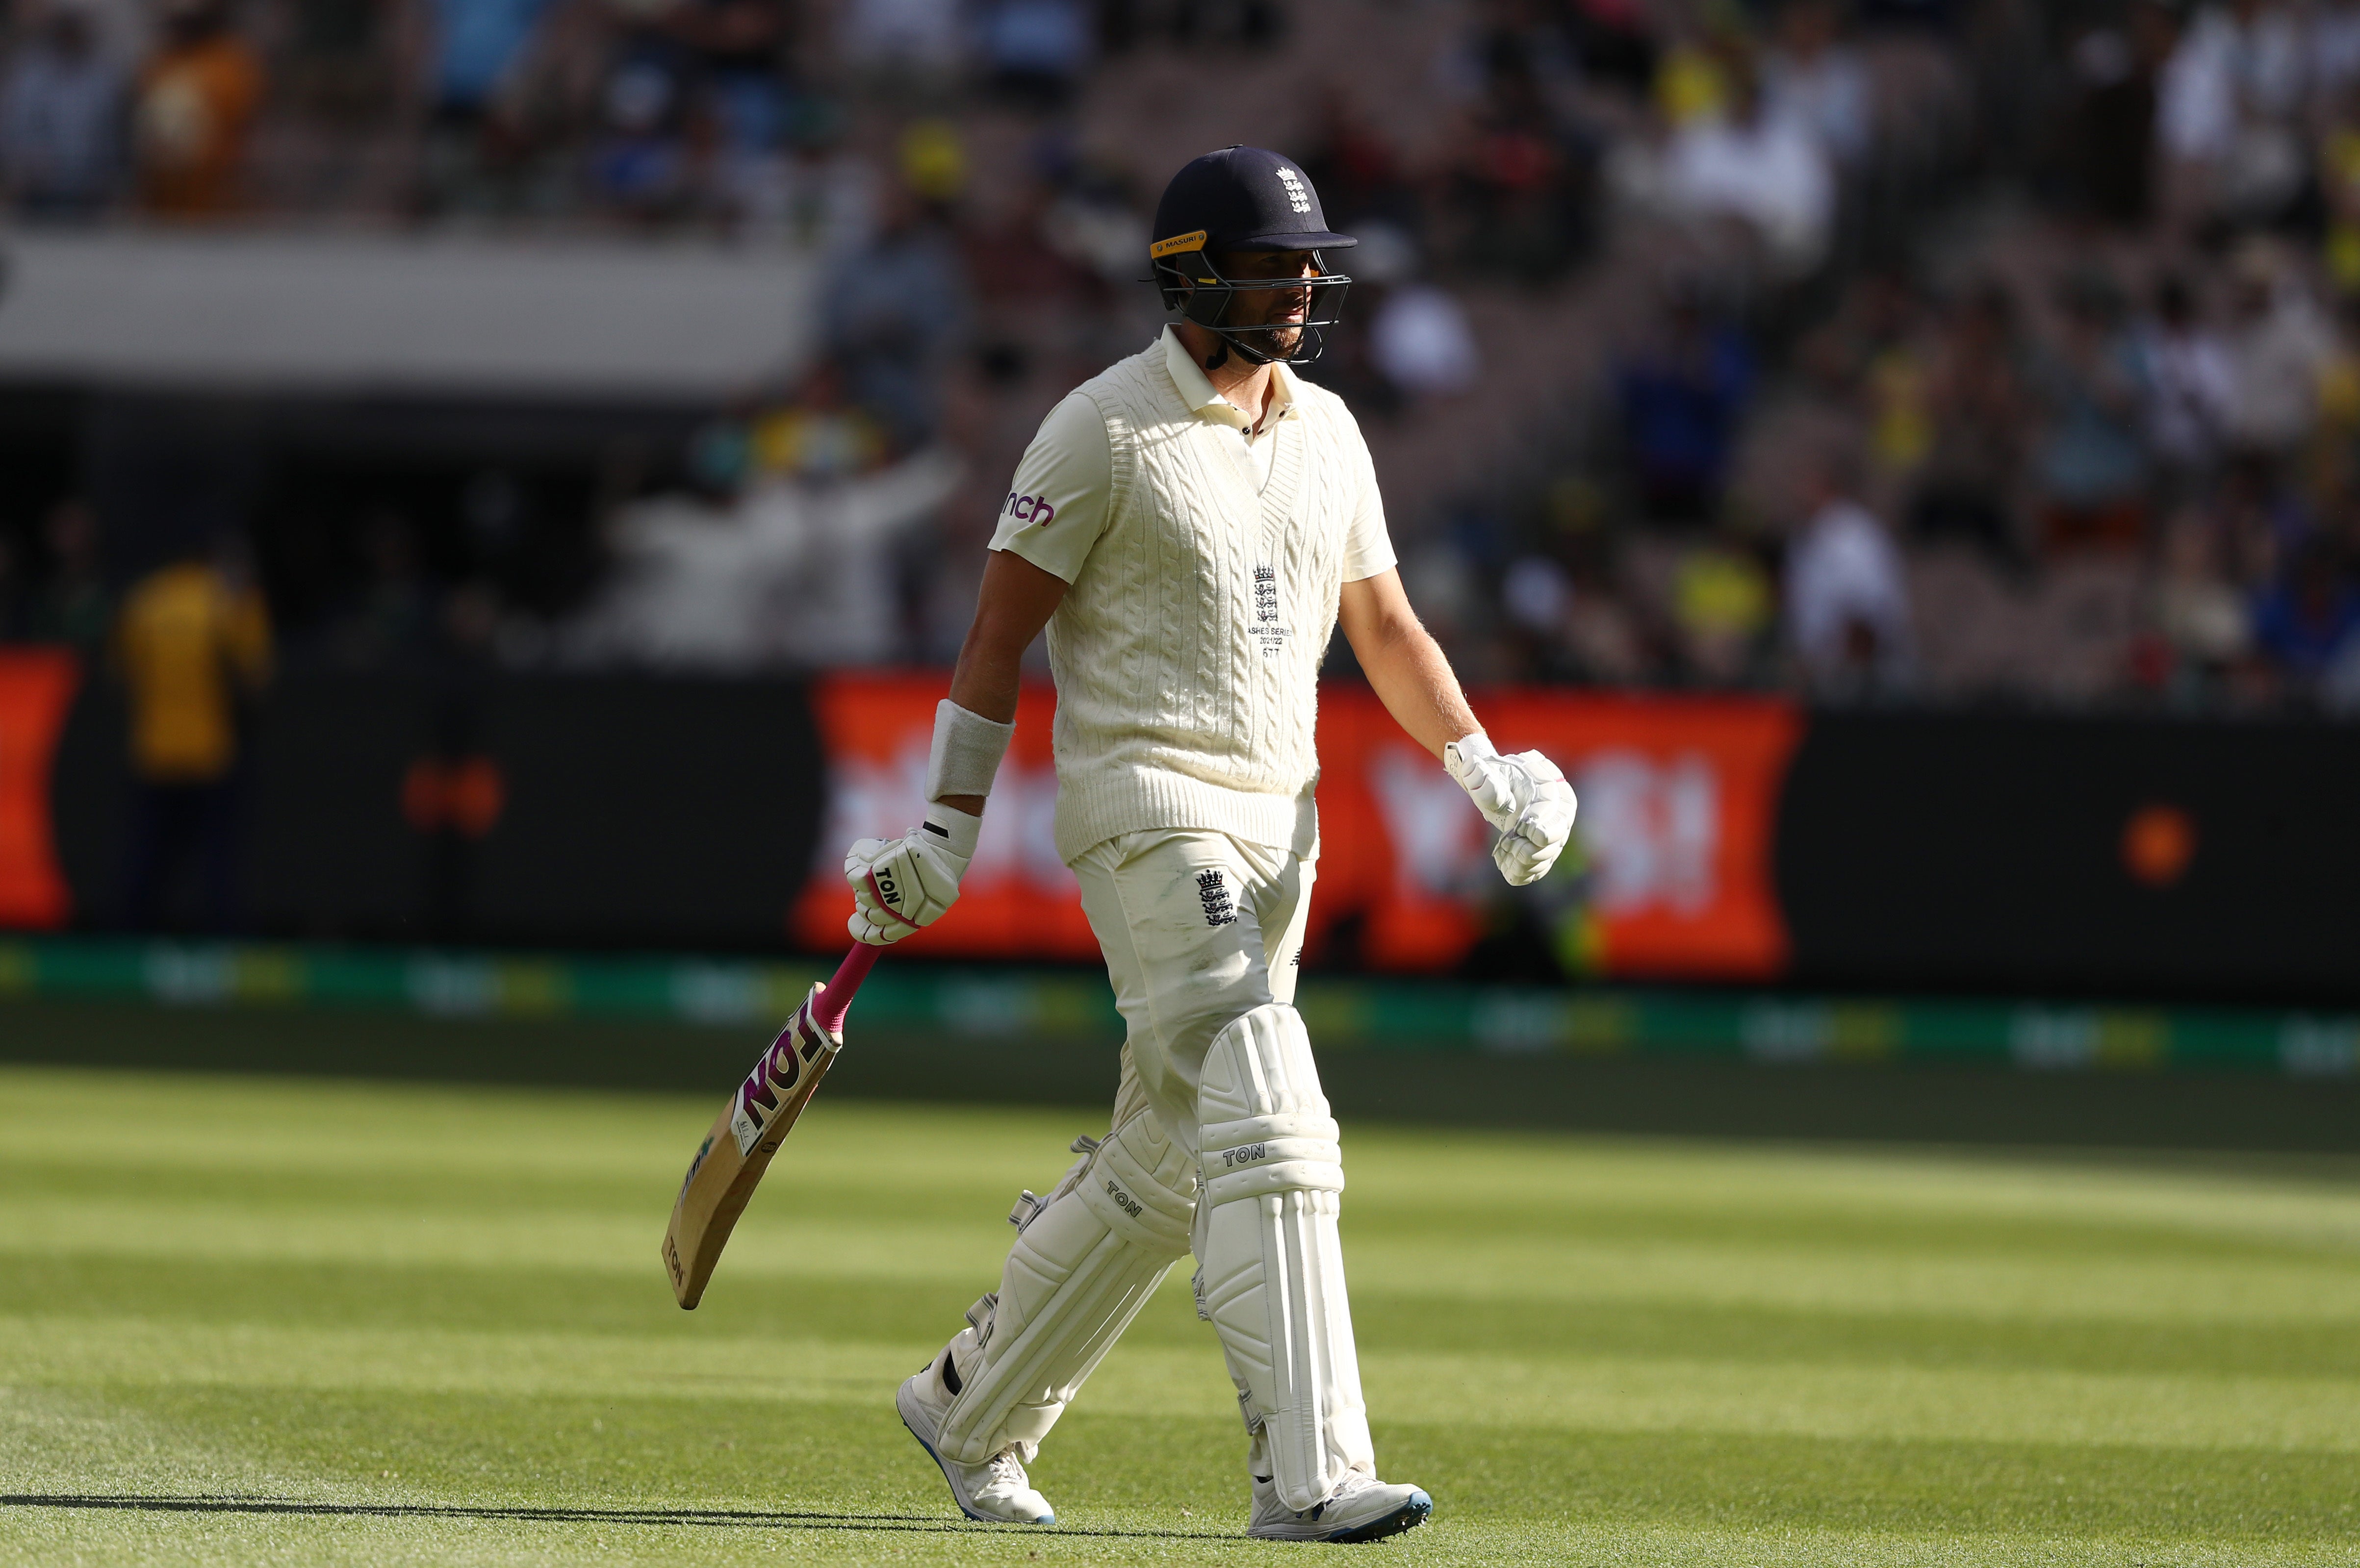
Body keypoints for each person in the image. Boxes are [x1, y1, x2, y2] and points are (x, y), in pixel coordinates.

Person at [840, 147, 1577, 1543]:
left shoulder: (1333, 430)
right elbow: (995, 638)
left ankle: (968, 1403)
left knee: (1170, 1162)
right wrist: (945, 826)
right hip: (1146, 807)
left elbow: (1383, 628)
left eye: (1311, 265)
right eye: (1272, 265)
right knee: (1267, 1097)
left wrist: (1483, 765)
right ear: (1189, 275)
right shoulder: (1098, 428)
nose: (1302, 288)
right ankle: (1307, 1475)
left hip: (1276, 827)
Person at [114, 535, 271, 930]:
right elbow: (256, 675)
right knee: (218, 861)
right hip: (211, 750)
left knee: (147, 857)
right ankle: (223, 947)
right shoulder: (226, 597)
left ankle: (127, 942)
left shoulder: (145, 599)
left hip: (155, 748)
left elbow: (121, 674)